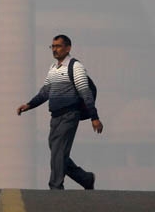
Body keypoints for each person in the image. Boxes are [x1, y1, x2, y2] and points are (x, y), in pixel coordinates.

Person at [17, 33, 104, 190]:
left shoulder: (75, 67)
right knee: (58, 151)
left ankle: (56, 186)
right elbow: (45, 92)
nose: (54, 49)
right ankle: (85, 179)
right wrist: (29, 105)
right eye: (53, 46)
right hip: (55, 116)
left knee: (58, 150)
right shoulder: (53, 69)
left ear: (68, 48)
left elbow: (85, 92)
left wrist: (94, 117)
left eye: (58, 46)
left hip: (70, 115)